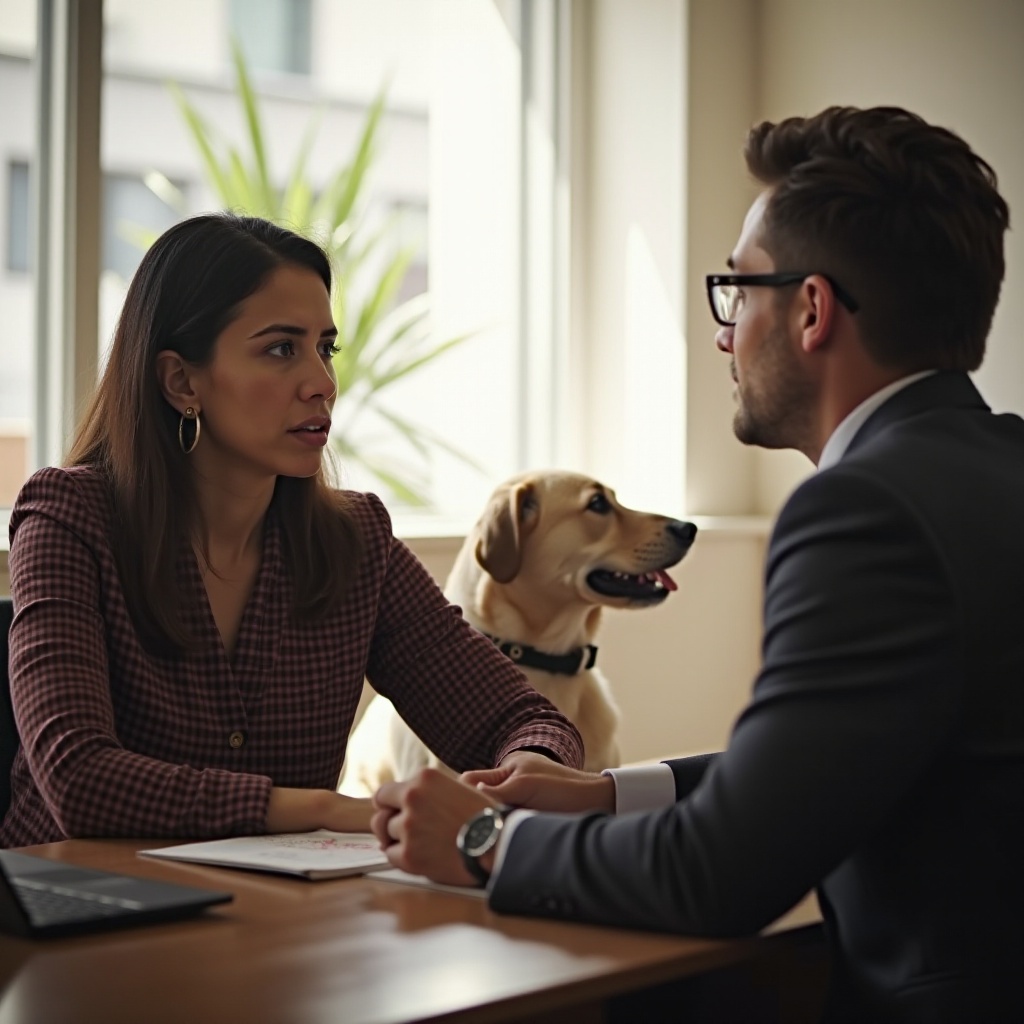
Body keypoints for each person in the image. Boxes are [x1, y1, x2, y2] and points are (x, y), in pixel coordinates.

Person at [370, 106, 1024, 1022]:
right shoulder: (998, 469)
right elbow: (831, 757)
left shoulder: (863, 512)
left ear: (810, 309)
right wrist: (602, 795)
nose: (723, 333)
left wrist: (486, 840)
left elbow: (719, 874)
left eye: (737, 289)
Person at [0, 213, 583, 849]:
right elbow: (80, 781)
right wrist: (330, 810)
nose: (323, 384)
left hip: (279, 921)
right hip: (75, 920)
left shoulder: (356, 541)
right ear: (181, 381)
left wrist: (533, 767)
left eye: (324, 349)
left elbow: (522, 718)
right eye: (281, 349)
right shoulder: (70, 519)